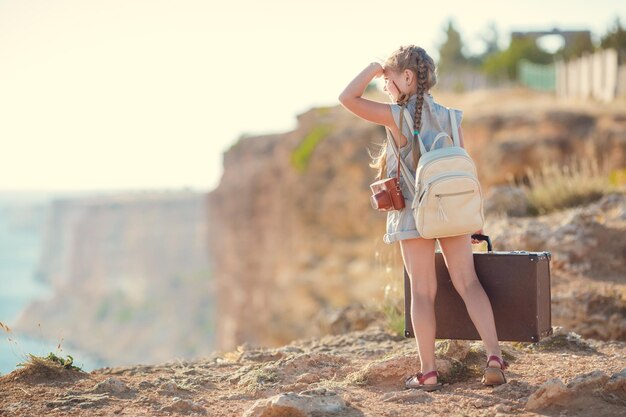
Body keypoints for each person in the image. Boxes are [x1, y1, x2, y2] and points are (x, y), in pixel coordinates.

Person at [338, 45, 508, 390]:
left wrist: (372, 68)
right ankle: (494, 356)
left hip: (413, 217)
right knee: (469, 283)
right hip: (452, 212)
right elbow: (461, 169)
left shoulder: (396, 116)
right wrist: (474, 220)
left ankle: (428, 372)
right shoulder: (450, 116)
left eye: (389, 79)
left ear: (408, 77)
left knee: (422, 292)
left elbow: (347, 98)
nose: (385, 86)